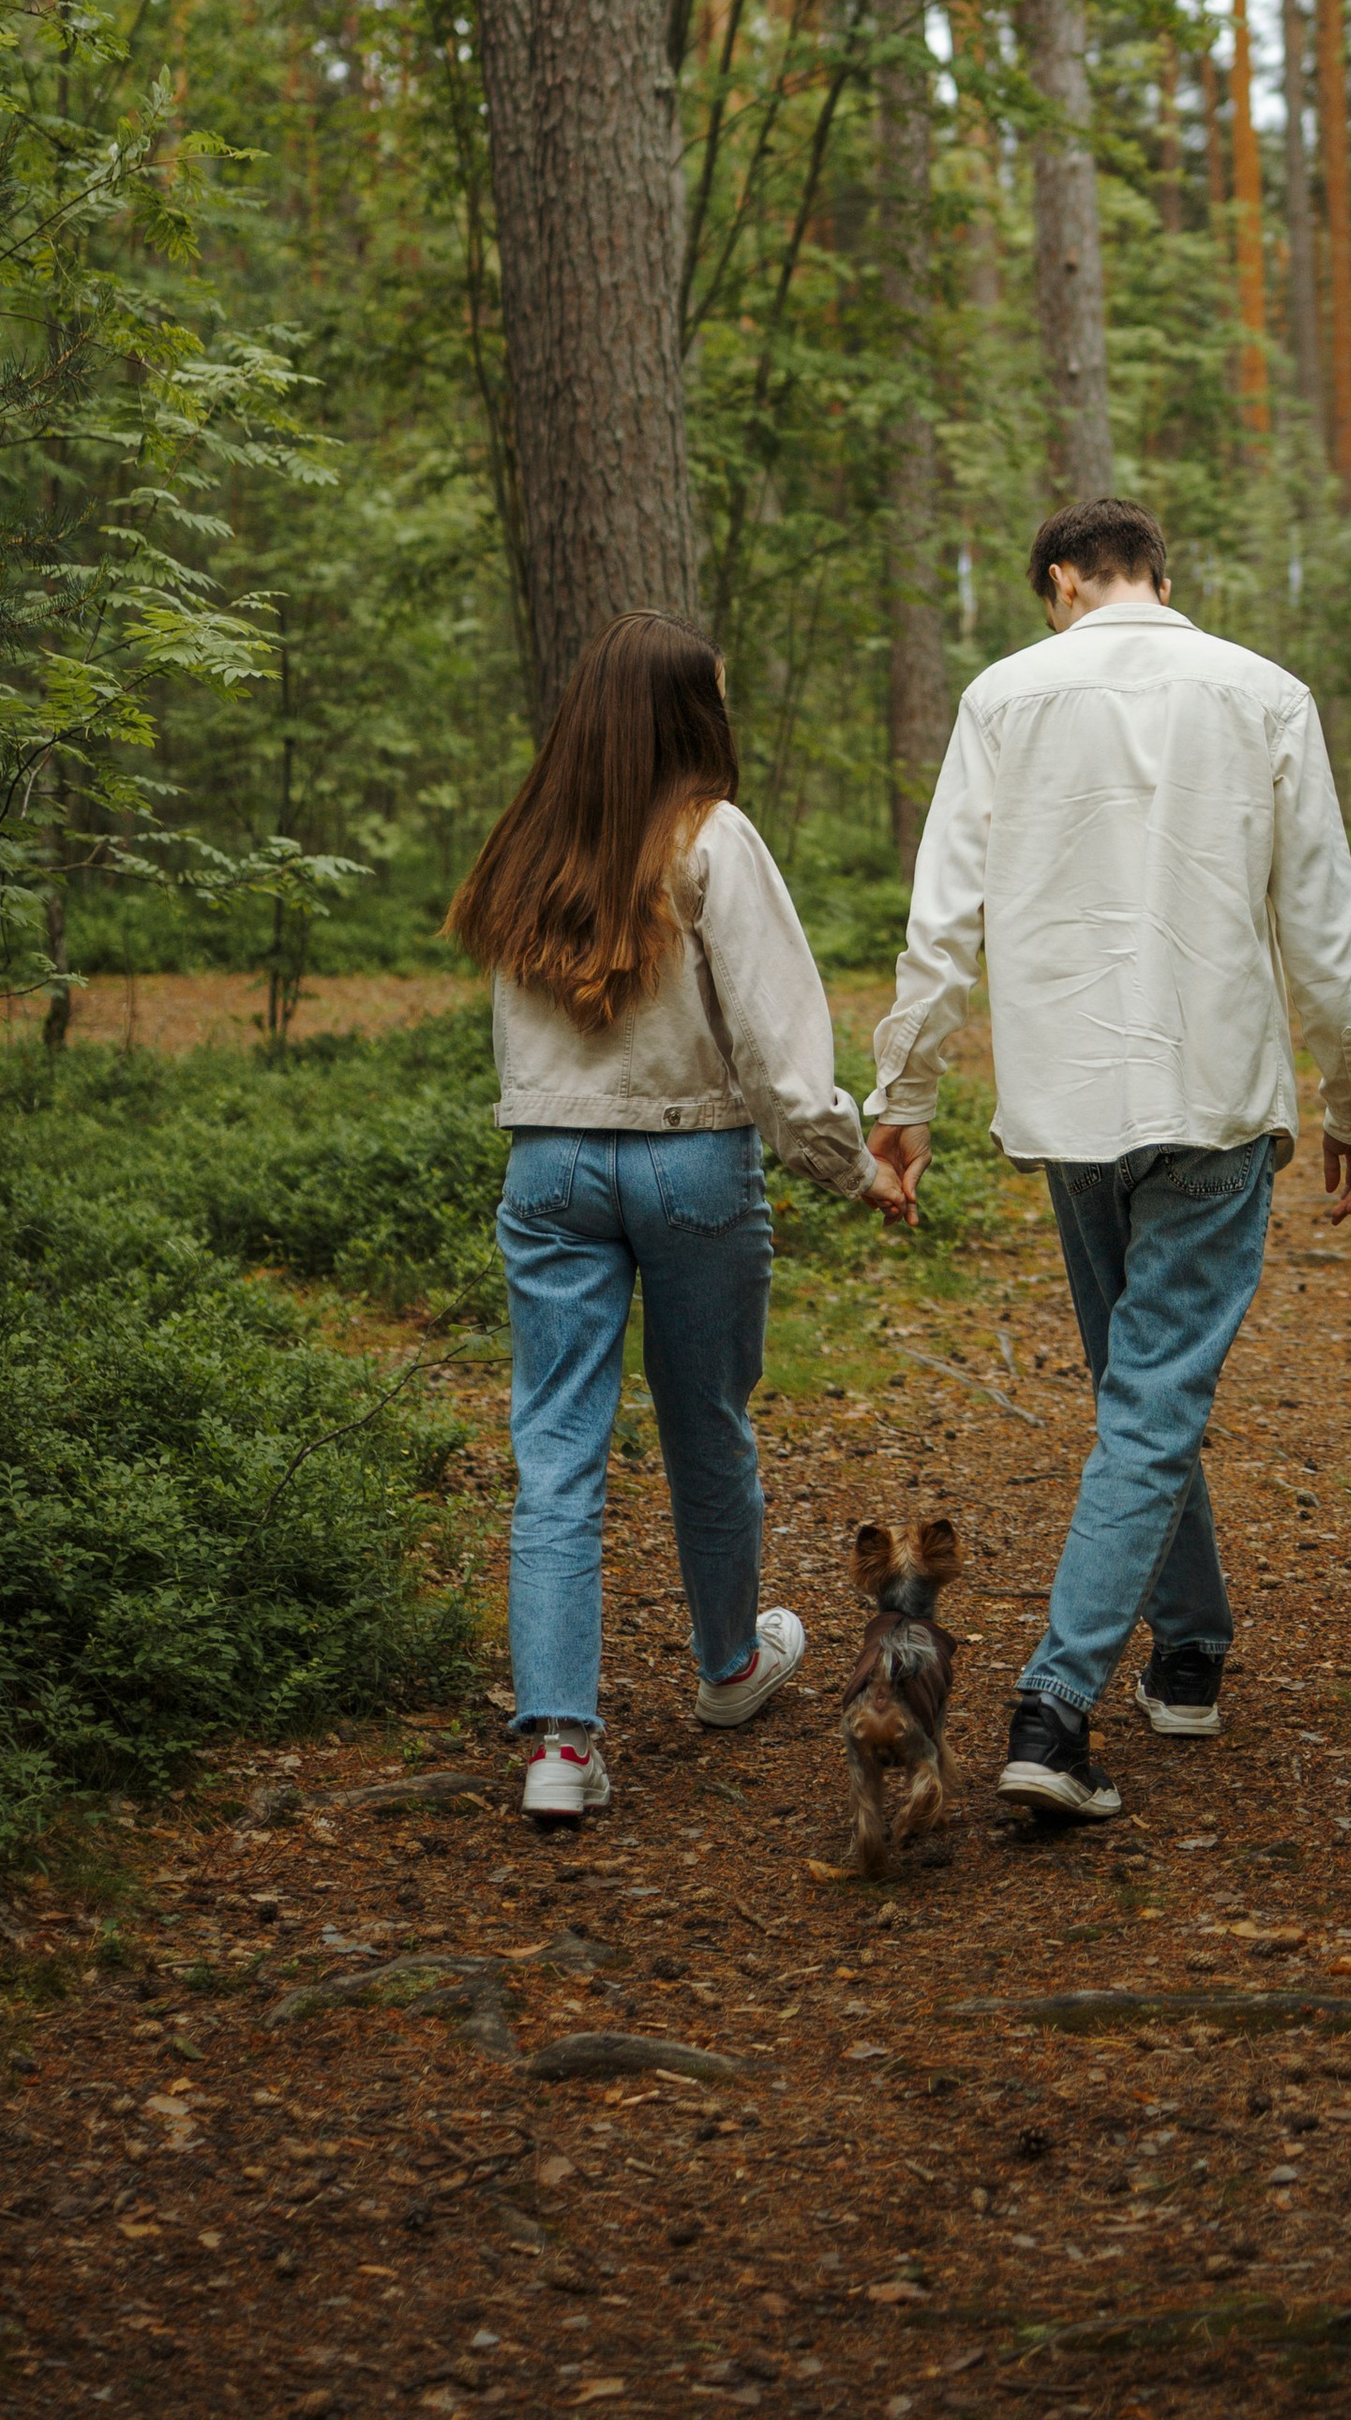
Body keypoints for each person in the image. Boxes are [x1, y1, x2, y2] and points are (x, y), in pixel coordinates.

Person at [866, 497, 1351, 1819]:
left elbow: (946, 916)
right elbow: (1320, 920)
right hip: (1213, 1093)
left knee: (1137, 1393)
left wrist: (904, 1089)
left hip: (1073, 1097)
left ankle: (1191, 1651)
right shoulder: (1264, 694)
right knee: (1148, 1398)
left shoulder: (1004, 698)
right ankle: (1054, 1710)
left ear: (1061, 583)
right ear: (1160, 576)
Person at [448, 612, 905, 1821]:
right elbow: (780, 1052)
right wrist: (850, 1167)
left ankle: (556, 1745)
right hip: (692, 1165)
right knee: (707, 1424)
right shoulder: (712, 839)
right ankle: (727, 1668)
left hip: (546, 1166)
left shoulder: (526, 841)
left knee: (556, 1453)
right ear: (685, 711)